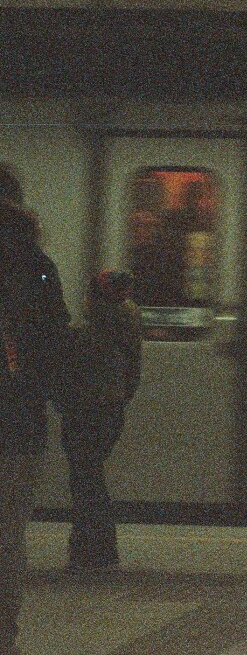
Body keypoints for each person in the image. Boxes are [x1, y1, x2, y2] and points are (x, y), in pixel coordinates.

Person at [1, 200, 71, 655]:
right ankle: (5, 634)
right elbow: (56, 339)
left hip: (19, 417)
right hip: (21, 422)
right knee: (8, 537)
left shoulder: (37, 272)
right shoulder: (40, 270)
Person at [62, 270, 142, 572]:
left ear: (96, 298)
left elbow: (75, 374)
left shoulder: (93, 332)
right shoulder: (126, 326)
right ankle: (97, 548)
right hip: (111, 410)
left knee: (85, 480)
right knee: (90, 476)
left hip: (87, 412)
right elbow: (132, 375)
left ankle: (92, 548)